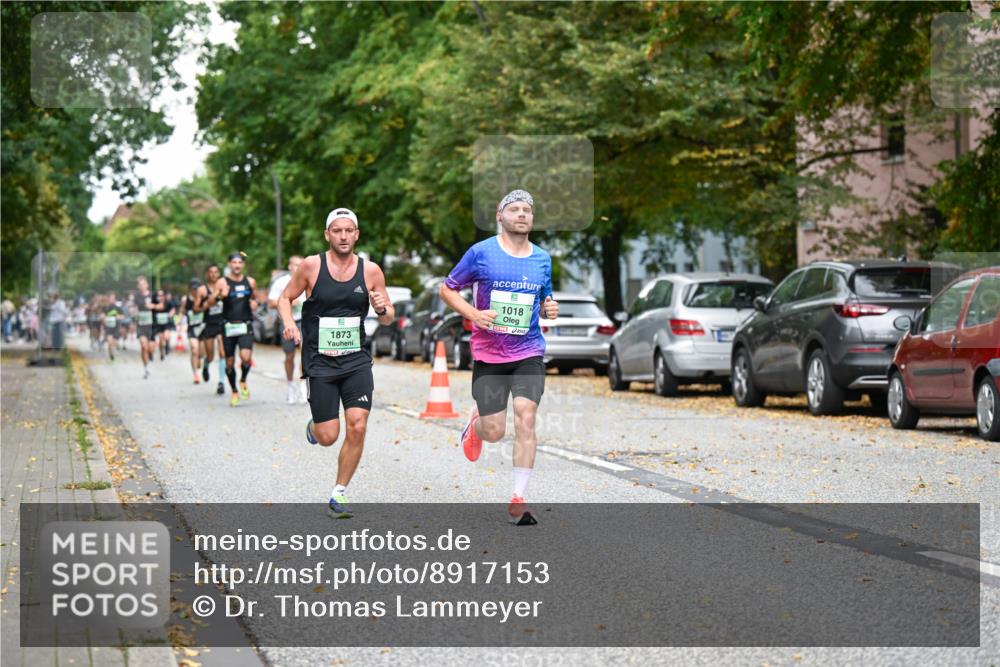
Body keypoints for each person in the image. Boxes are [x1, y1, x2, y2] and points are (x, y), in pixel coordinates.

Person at [439, 189, 559, 525]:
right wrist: (472, 314)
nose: (522, 215)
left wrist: (551, 308)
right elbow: (446, 289)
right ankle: (475, 426)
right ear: (500, 214)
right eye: (515, 209)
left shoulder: (542, 259)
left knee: (525, 415)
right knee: (494, 432)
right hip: (489, 353)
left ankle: (518, 498)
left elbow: (546, 302)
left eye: (527, 210)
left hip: (528, 351)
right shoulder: (480, 253)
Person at [278, 208, 394, 518]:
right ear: (327, 234)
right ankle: (316, 427)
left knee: (357, 425)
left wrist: (382, 309)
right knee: (329, 436)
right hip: (320, 362)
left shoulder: (371, 271)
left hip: (356, 360)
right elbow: (284, 298)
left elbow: (387, 319)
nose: (343, 236)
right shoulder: (311, 266)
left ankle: (338, 493)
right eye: (337, 231)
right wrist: (289, 322)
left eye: (349, 231)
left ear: (357, 234)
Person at [212, 253, 257, 407]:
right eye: (234, 262)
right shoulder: (221, 282)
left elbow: (254, 298)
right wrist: (220, 296)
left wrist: (254, 303)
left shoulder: (250, 281)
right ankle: (234, 390)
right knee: (229, 363)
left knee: (245, 357)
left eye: (239, 262)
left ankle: (243, 380)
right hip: (228, 326)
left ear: (243, 264)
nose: (237, 265)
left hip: (245, 324)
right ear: (229, 264)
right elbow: (209, 303)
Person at [268, 255, 307, 404]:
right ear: (290, 266)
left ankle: (303, 386)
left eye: (300, 265)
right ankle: (291, 386)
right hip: (287, 321)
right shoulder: (281, 282)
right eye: (295, 265)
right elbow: (271, 303)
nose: (297, 268)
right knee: (289, 355)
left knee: (306, 354)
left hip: (304, 321)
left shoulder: (308, 280)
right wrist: (290, 301)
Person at [198, 264, 227, 395]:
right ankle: (206, 364)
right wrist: (206, 305)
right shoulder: (203, 290)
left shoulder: (225, 287)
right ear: (207, 274)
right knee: (210, 355)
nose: (214, 274)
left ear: (219, 273)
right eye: (211, 272)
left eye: (216, 272)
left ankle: (221, 382)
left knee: (223, 352)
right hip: (209, 324)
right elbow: (196, 308)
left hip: (222, 323)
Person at [180, 279, 205, 384]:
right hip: (192, 328)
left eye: (196, 289)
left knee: (202, 352)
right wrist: (180, 323)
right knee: (194, 349)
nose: (194, 291)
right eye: (193, 289)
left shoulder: (203, 298)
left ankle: (200, 359)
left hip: (203, 327)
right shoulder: (186, 299)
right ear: (189, 289)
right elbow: (182, 312)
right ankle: (195, 374)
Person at [135, 277, 159, 379]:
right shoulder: (137, 297)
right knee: (144, 347)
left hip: (151, 325)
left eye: (143, 284)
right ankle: (146, 369)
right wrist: (134, 313)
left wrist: (153, 306)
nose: (142, 286)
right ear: (138, 286)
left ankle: (150, 354)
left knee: (150, 348)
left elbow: (161, 306)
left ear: (147, 285)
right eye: (140, 284)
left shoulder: (153, 295)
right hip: (141, 325)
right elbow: (134, 308)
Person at [103, 293, 124, 362]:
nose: (112, 300)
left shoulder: (118, 308)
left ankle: (113, 353)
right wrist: (104, 318)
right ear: (108, 299)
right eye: (111, 299)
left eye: (113, 299)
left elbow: (123, 316)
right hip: (108, 328)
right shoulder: (105, 308)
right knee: (109, 342)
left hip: (116, 328)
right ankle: (111, 357)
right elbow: (102, 316)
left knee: (114, 343)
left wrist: (118, 317)